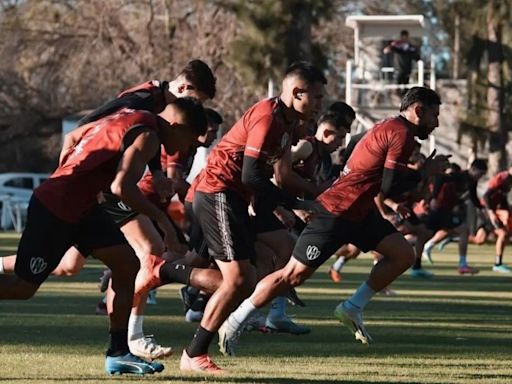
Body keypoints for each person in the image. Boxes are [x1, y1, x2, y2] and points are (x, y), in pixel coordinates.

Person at [218, 87, 446, 359]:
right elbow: (389, 184)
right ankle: (234, 321)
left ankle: (352, 307)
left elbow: (360, 156)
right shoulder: (402, 133)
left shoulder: (388, 126)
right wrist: (424, 173)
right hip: (336, 211)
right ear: (418, 111)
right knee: (292, 275)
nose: (437, 123)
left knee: (402, 254)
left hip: (359, 212)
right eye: (434, 115)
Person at [0, 98, 207, 375]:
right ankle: (119, 350)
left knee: (127, 264)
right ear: (178, 127)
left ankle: (118, 352)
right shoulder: (149, 136)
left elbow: (73, 136)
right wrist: (164, 223)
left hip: (82, 206)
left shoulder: (133, 117)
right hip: (58, 207)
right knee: (21, 288)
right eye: (191, 142)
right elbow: (121, 187)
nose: (188, 149)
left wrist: (75, 177)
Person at [179, 61, 326, 374]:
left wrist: (307, 199)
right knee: (238, 280)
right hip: (218, 192)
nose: (320, 105)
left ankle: (171, 278)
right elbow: (249, 175)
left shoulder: (287, 126)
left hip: (235, 198)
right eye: (317, 97)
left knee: (249, 273)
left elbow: (276, 177)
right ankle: (193, 351)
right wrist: (292, 204)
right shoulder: (267, 117)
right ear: (297, 93)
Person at [422, 159, 487, 274]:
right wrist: (433, 198)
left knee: (451, 230)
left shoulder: (472, 181)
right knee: (423, 232)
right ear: (473, 169)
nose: (480, 177)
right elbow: (441, 178)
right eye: (480, 174)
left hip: (447, 210)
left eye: (482, 175)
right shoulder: (460, 175)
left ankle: (427, 246)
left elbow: (473, 197)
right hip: (440, 208)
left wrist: (482, 208)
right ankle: (462, 265)